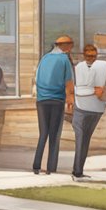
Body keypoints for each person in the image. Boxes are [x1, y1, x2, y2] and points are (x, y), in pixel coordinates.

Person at [33, 35, 75, 175]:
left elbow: (37, 78)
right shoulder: (64, 60)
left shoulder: (44, 58)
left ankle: (37, 165)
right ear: (65, 46)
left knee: (43, 133)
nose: (71, 49)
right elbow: (69, 83)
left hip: (42, 100)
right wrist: (70, 99)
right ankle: (51, 167)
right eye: (70, 45)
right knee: (55, 135)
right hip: (57, 100)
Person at [71, 43, 106, 180]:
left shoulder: (101, 67)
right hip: (81, 108)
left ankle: (79, 171)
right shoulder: (78, 68)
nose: (91, 58)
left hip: (95, 109)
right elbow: (80, 89)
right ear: (84, 55)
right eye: (88, 56)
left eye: (93, 56)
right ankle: (76, 171)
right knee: (81, 139)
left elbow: (103, 87)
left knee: (85, 140)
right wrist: (94, 90)